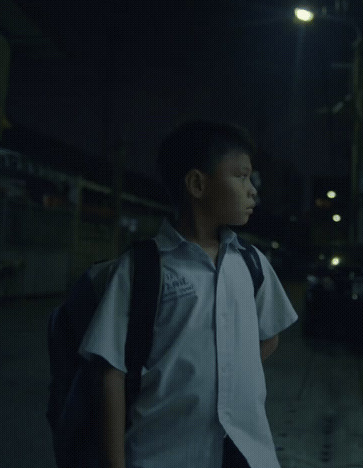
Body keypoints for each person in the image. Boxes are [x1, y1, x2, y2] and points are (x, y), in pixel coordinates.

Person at [78, 121, 298, 467]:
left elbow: (269, 335)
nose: (252, 190)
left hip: (246, 454)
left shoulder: (252, 263)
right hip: (161, 453)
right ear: (197, 184)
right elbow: (110, 373)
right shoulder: (142, 270)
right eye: (241, 177)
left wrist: (225, 372)